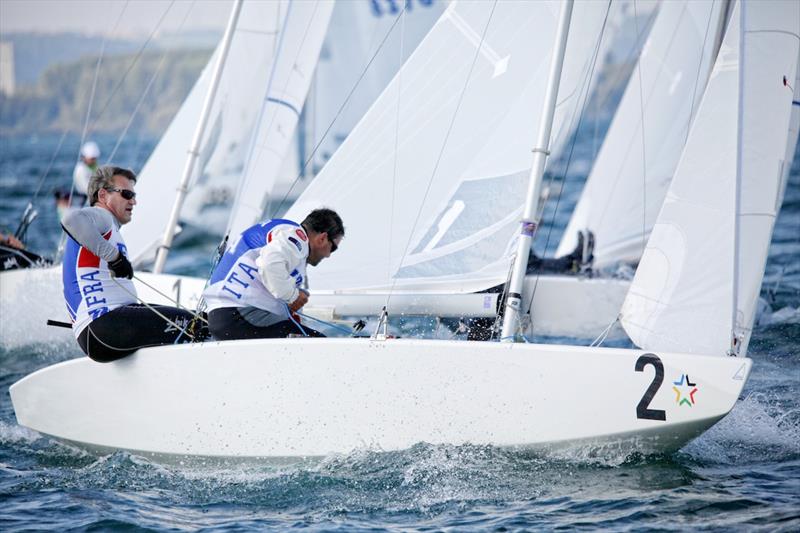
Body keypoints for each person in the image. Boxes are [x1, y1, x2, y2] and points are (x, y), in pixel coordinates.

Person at [61, 165, 202, 362]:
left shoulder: (105, 229)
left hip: (102, 331)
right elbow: (70, 219)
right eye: (126, 194)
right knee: (200, 325)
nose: (133, 201)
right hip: (105, 325)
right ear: (103, 195)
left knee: (194, 319)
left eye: (133, 195)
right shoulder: (100, 215)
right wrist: (115, 258)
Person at [204, 208, 344, 340]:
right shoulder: (297, 237)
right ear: (322, 238)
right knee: (318, 343)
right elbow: (269, 264)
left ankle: (200, 328)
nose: (328, 255)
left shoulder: (283, 232)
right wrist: (293, 296)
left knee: (302, 333)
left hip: (225, 315)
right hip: (238, 316)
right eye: (333, 248)